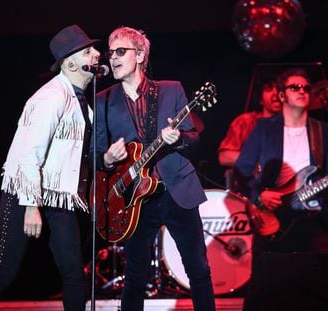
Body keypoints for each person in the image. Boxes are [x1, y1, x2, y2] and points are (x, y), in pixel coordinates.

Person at [0, 25, 101, 311]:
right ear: (71, 62)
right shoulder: (51, 97)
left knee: (73, 271)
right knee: (5, 269)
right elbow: (30, 154)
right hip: (24, 193)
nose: (97, 54)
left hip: (57, 195)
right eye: (89, 50)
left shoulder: (80, 102)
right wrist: (31, 205)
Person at [91, 26, 216, 311]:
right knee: (136, 277)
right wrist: (108, 159)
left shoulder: (171, 90)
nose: (113, 58)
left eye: (120, 51)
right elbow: (93, 155)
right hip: (134, 199)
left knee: (198, 269)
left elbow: (195, 141)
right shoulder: (103, 99)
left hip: (176, 189)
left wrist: (179, 138)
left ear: (140, 54)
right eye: (111, 53)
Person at [234, 68, 328, 310]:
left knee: (325, 276)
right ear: (281, 96)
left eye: (306, 88)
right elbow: (242, 170)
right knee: (266, 280)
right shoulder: (264, 128)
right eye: (295, 87)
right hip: (273, 213)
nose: (302, 91)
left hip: (312, 215)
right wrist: (259, 195)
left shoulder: (321, 131)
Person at [218, 77, 281, 191]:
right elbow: (224, 157)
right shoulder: (245, 121)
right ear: (260, 99)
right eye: (269, 89)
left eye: (279, 89)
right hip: (252, 190)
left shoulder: (294, 125)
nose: (275, 93)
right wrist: (258, 160)